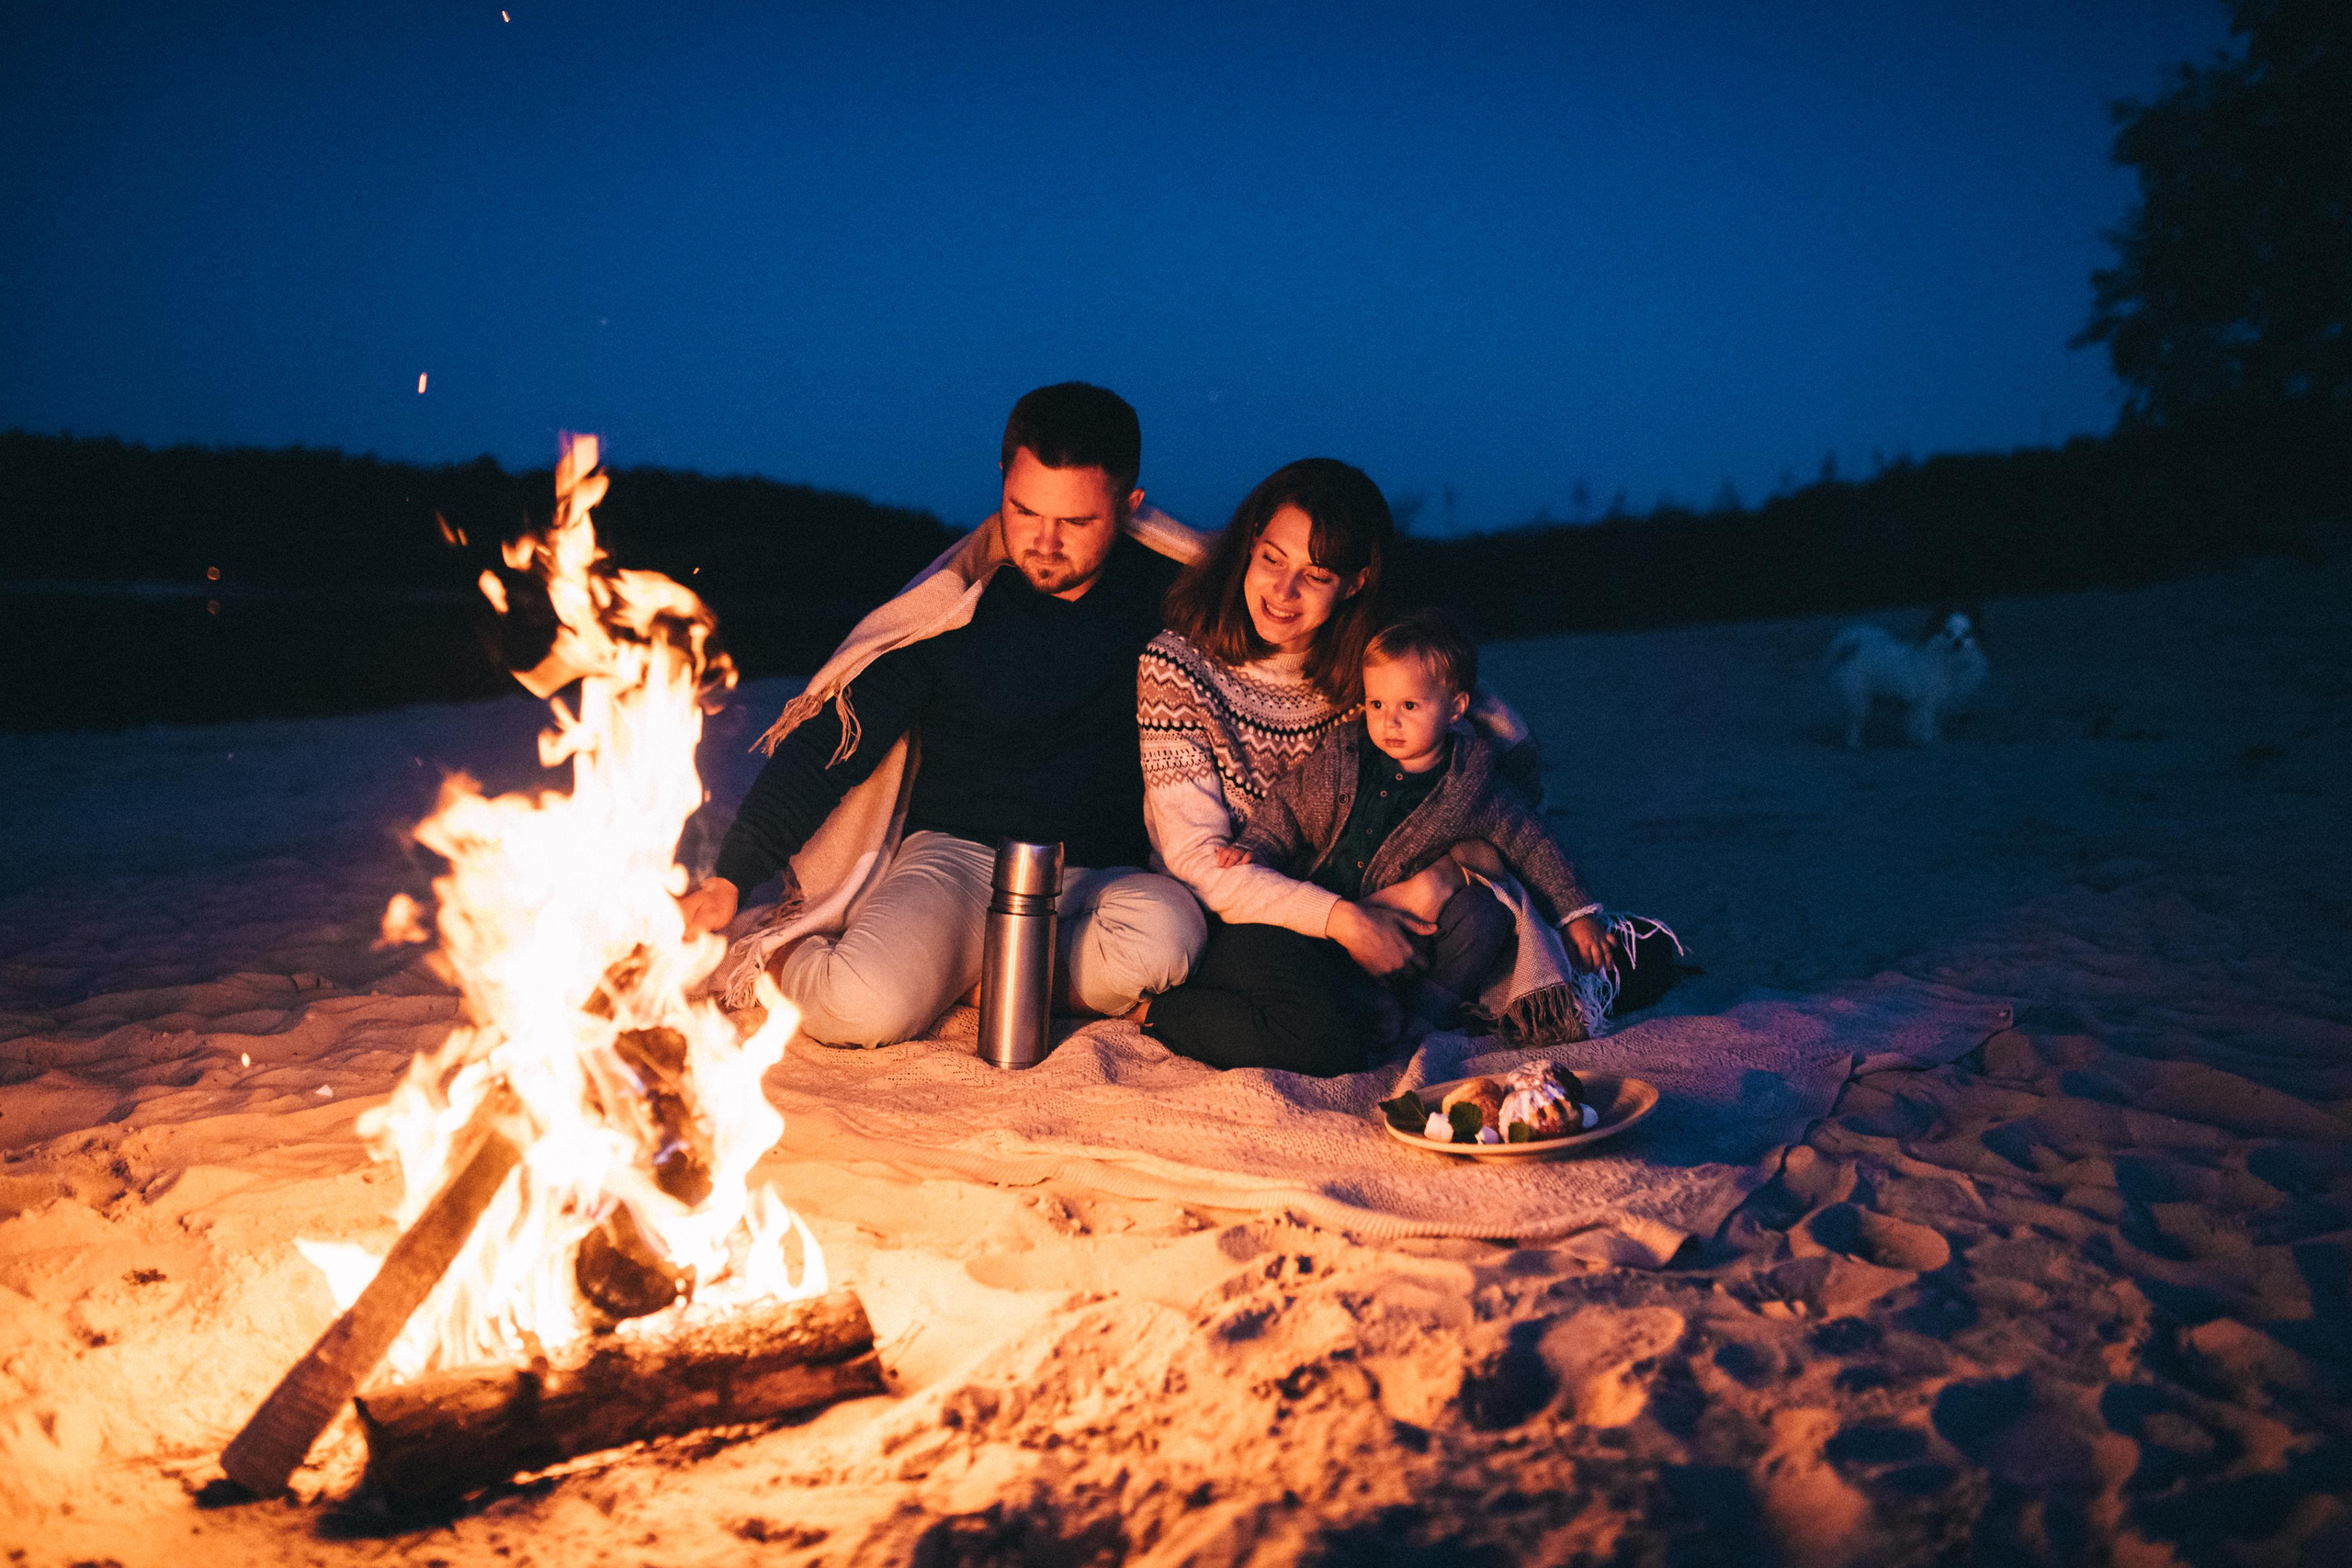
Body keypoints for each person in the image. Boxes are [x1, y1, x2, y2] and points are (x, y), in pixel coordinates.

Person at [680, 383, 1208, 1045]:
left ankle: (981, 980)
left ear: (1129, 506)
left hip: (1093, 879)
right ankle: (783, 956)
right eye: (1023, 509)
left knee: (1170, 939)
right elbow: (835, 743)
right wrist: (733, 873)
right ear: (1002, 479)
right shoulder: (954, 603)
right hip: (957, 864)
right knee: (861, 1007)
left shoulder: (1174, 600)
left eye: (1076, 522)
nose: (1043, 541)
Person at [1135, 457, 1448, 1075]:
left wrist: (1441, 880)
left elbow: (1475, 764)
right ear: (1250, 545)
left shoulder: (1370, 680)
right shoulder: (1174, 667)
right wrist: (1346, 923)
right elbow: (1199, 860)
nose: (1282, 591)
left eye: (1315, 574)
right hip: (1235, 909)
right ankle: (1153, 1013)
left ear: (1354, 584)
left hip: (1355, 893)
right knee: (1318, 1039)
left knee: (1482, 928)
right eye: (1272, 558)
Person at [1220, 609, 1611, 1041]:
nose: (1389, 722)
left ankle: (1430, 1009)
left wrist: (1577, 912)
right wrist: (1256, 846)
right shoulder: (1343, 755)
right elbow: (1287, 808)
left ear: (1456, 709)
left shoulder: (1473, 782)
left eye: (1409, 706)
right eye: (1376, 704)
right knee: (1292, 952)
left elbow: (1533, 844)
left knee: (1487, 914)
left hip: (1421, 936)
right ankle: (1369, 1002)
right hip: (1341, 919)